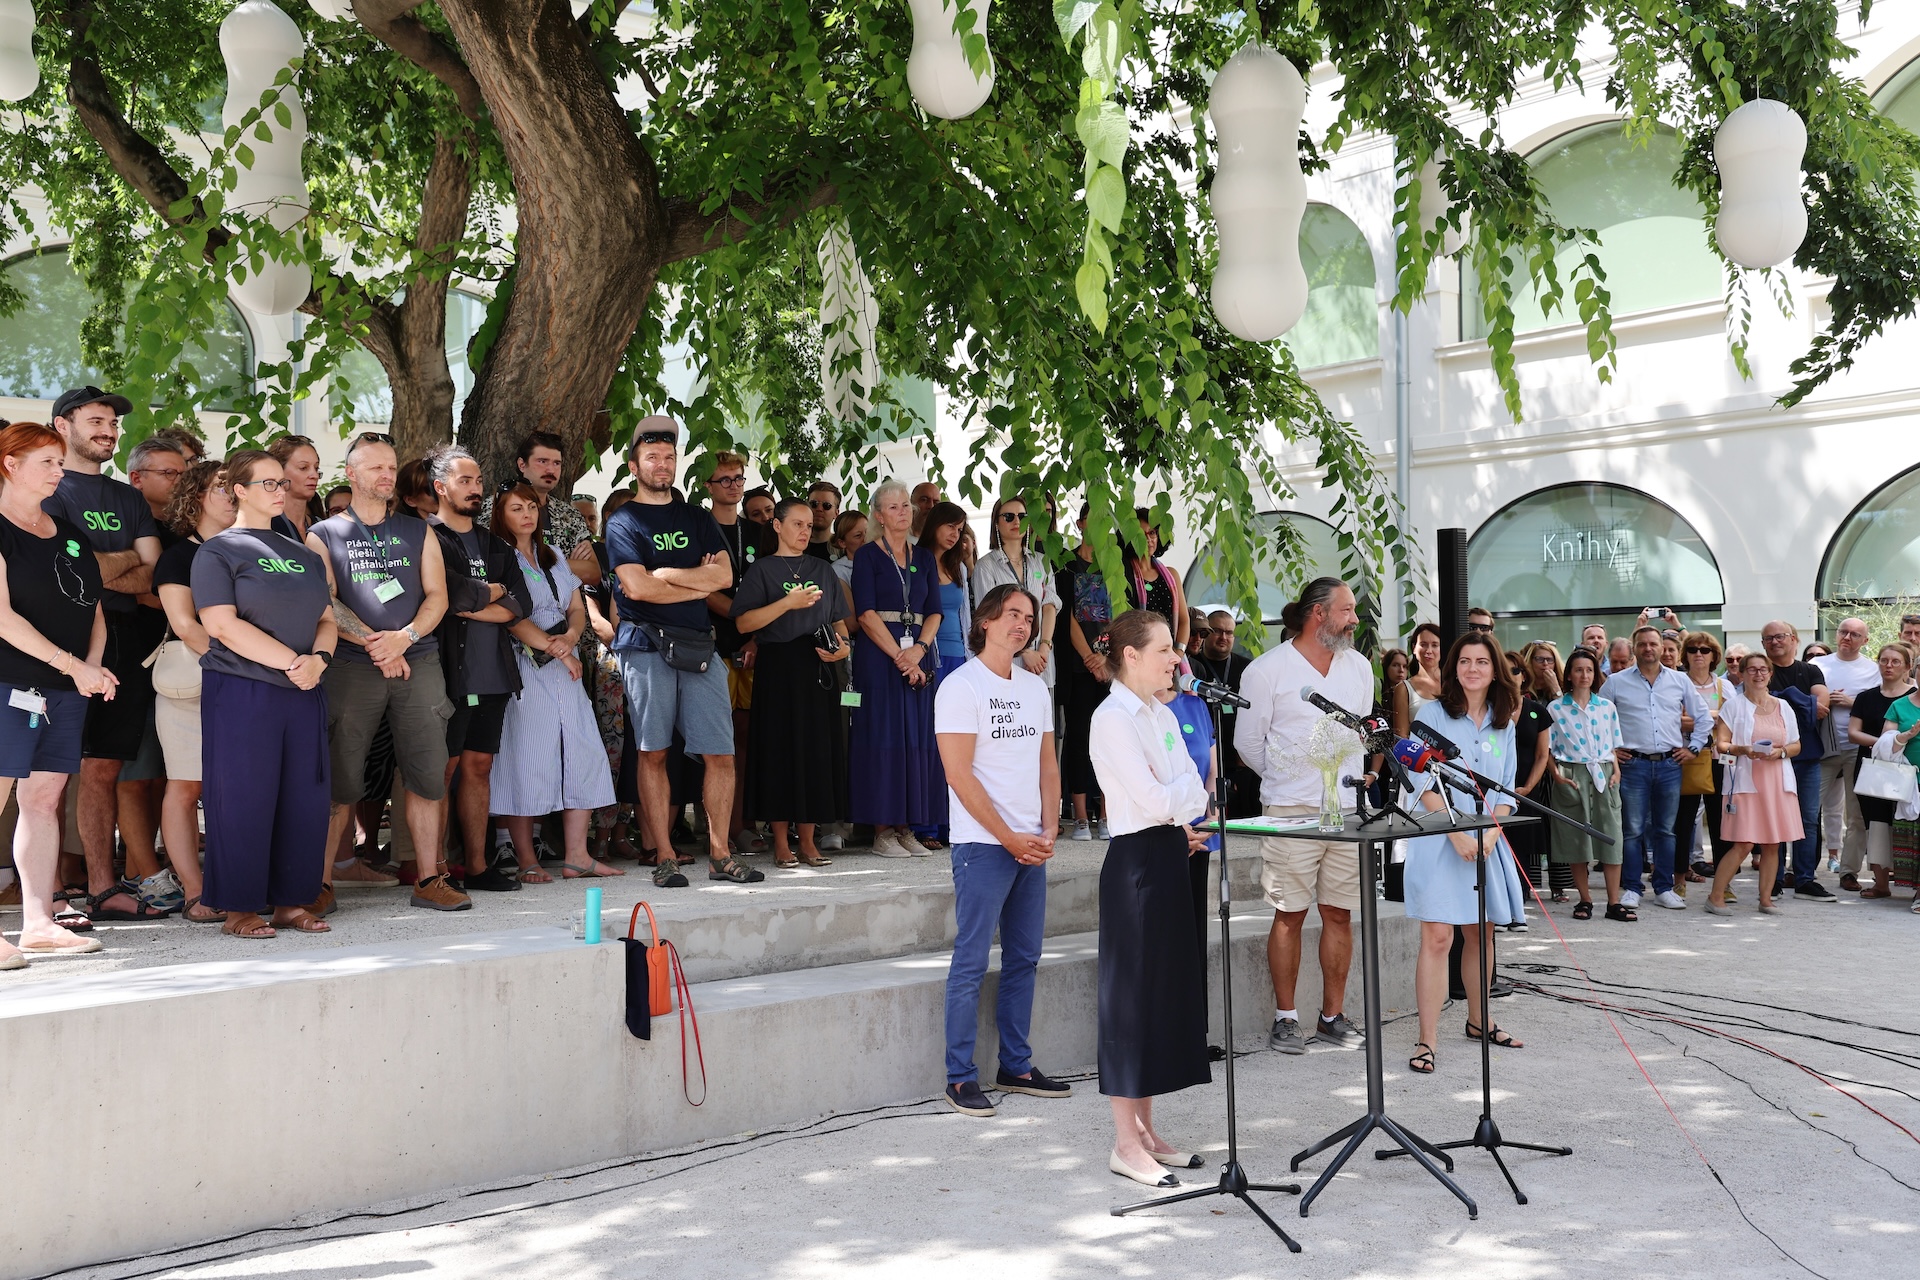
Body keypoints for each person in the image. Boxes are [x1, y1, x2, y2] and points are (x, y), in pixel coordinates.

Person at [307, 433, 467, 912]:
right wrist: (378, 644)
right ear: (351, 475)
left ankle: (428, 879)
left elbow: (437, 595)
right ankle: (318, 884)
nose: (385, 475)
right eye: (374, 467)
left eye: (390, 467)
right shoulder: (324, 534)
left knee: (426, 774)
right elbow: (325, 600)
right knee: (338, 778)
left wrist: (406, 638)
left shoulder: (420, 531)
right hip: (353, 667)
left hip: (417, 660)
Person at [933, 584, 1071, 1115]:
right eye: (1012, 614)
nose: (1022, 624)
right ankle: (959, 1076)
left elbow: (1047, 765)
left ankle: (1015, 1065)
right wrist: (1008, 836)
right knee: (971, 961)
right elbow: (959, 775)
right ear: (985, 621)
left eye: (1029, 617)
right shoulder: (959, 687)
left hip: (1031, 843)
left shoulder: (1035, 688)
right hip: (983, 845)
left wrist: (1050, 826)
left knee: (1025, 959)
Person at [604, 417, 760, 885]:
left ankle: (719, 854)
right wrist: (689, 580)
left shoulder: (696, 516)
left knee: (721, 753)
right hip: (645, 646)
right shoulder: (623, 522)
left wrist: (666, 577)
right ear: (634, 465)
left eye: (669, 456)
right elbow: (635, 588)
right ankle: (665, 855)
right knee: (653, 752)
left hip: (698, 648)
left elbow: (724, 578)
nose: (662, 464)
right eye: (652, 457)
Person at [1088, 608, 1213, 1186]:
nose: (1177, 658)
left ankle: (1146, 1130)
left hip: (1172, 852)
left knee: (1161, 995)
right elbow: (1156, 796)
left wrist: (1181, 798)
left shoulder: (1162, 714)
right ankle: (1122, 1142)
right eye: (1165, 649)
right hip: (1138, 861)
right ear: (1131, 655)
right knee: (1130, 1001)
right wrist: (1180, 798)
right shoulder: (1112, 719)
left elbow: (1193, 787)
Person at [193, 449, 338, 939]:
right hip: (242, 690)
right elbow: (220, 624)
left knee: (305, 797)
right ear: (239, 490)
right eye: (269, 483)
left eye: (282, 484)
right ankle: (239, 908)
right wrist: (294, 663)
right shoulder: (218, 550)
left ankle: (291, 902)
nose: (281, 491)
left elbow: (325, 619)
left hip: (304, 689)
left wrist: (318, 661)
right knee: (243, 798)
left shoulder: (302, 552)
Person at [45, 387, 168, 925]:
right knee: (43, 770)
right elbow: (63, 571)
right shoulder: (46, 488)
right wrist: (115, 567)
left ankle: (100, 889)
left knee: (103, 768)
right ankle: (47, 894)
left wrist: (98, 566)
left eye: (113, 423)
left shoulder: (129, 497)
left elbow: (154, 573)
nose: (109, 430)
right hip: (62, 638)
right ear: (61, 426)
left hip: (127, 636)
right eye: (96, 420)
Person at [1233, 577, 1368, 1055]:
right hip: (1290, 810)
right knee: (1289, 912)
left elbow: (1361, 736)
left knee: (1339, 912)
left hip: (1347, 811)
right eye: (1347, 610)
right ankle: (1286, 1018)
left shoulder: (1360, 668)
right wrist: (1289, 781)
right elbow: (1247, 743)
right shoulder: (1267, 670)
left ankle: (1332, 1016)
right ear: (1319, 614)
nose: (1354, 619)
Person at [0, 422, 115, 964]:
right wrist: (74, 666)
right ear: (10, 465)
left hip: (63, 689)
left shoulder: (69, 532)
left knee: (43, 801)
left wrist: (90, 667)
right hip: (7, 684)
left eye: (59, 461)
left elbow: (91, 608)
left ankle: (39, 922)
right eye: (46, 461)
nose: (59, 470)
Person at [1404, 631, 1528, 1074]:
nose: (1472, 669)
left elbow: (1507, 785)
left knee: (1481, 934)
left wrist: (1492, 832)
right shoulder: (1433, 713)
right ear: (1453, 668)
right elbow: (1418, 778)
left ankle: (1480, 1021)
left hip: (1485, 840)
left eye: (1481, 662)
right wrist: (1455, 832)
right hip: (1441, 838)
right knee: (1438, 937)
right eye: (1464, 662)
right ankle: (1427, 1039)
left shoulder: (1504, 721)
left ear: (1495, 669)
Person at [488, 483, 620, 880]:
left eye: (531, 507)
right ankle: (527, 859)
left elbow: (576, 606)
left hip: (567, 661)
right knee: (528, 757)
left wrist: (571, 638)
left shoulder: (554, 555)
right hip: (527, 663)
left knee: (583, 751)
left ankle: (577, 855)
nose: (527, 514)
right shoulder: (499, 557)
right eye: (516, 508)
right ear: (501, 515)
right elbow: (509, 614)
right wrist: (553, 646)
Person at [428, 446, 532, 893]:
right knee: (442, 771)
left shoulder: (496, 545)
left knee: (479, 768)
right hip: (447, 676)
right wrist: (486, 597)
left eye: (477, 481)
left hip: (493, 678)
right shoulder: (425, 538)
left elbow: (520, 604)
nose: (475, 489)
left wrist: (473, 604)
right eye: (465, 481)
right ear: (440, 487)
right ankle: (437, 871)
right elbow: (445, 595)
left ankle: (477, 865)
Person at [731, 497, 852, 867]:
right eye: (796, 524)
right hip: (779, 668)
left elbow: (840, 625)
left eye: (808, 525)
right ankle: (781, 842)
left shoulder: (823, 569)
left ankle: (810, 840)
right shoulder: (763, 570)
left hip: (818, 667)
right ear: (777, 526)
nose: (804, 531)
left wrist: (842, 650)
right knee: (780, 752)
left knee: (817, 751)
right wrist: (787, 603)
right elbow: (743, 623)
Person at [152, 459, 238, 925]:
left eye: (234, 487)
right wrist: (242, 664)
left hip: (248, 687)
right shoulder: (178, 556)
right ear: (196, 497)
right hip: (196, 684)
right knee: (186, 787)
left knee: (240, 789)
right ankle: (194, 889)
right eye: (221, 488)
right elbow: (184, 625)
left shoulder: (255, 548)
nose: (231, 495)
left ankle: (237, 883)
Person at [848, 480, 944, 859]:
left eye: (907, 505)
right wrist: (899, 657)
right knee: (883, 736)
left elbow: (935, 610)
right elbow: (866, 615)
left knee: (915, 738)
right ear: (878, 516)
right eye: (894, 507)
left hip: (917, 657)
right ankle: (882, 830)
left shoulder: (924, 557)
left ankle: (907, 827)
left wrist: (918, 651)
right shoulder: (868, 556)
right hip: (880, 658)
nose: (904, 511)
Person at [1607, 625, 1711, 912]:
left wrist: (1693, 748)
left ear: (1664, 649)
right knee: (1632, 831)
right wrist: (1611, 749)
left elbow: (1704, 717)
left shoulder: (1679, 681)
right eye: (1643, 644)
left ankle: (1664, 887)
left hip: (1669, 765)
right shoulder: (1616, 682)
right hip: (1633, 765)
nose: (1649, 649)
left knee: (1667, 830)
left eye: (1655, 644)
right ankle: (1632, 888)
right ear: (1634, 648)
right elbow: (1599, 718)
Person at [701, 450, 775, 857]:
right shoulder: (699, 527)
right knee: (713, 742)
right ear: (709, 486)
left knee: (745, 740)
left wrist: (754, 635)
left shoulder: (759, 532)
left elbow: (771, 587)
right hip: (712, 645)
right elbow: (701, 587)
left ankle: (742, 824)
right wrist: (740, 617)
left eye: (738, 478)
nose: (732, 485)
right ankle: (715, 830)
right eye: (724, 479)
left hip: (753, 647)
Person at [1706, 652, 1804, 916]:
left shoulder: (1783, 706)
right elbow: (1721, 745)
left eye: (1763, 670)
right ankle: (1715, 897)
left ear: (1770, 674)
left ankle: (1766, 899)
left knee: (1773, 843)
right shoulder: (1733, 706)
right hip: (1746, 780)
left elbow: (1795, 744)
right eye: (1752, 670)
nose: (1758, 674)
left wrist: (1780, 753)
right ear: (1742, 673)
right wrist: (1742, 749)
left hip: (1777, 780)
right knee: (1744, 843)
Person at [1546, 648, 1626, 919]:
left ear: (1596, 674)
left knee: (1612, 837)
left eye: (1589, 670)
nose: (1584, 675)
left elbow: (1613, 745)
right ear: (1569, 674)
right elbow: (1546, 748)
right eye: (1578, 669)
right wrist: (1556, 775)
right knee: (1576, 838)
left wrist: (1616, 771)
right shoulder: (1555, 708)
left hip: (1604, 774)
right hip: (1572, 773)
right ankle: (1585, 899)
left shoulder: (1606, 707)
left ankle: (1614, 902)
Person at [1760, 620, 1834, 901]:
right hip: (1772, 758)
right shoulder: (1761, 669)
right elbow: (1758, 703)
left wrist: (1782, 697)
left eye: (1780, 636)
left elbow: (1821, 707)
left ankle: (1805, 880)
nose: (1775, 642)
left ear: (1794, 639)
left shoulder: (1811, 670)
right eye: (1768, 638)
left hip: (1808, 756)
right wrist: (1799, 700)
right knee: (1774, 818)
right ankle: (1774, 879)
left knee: (1808, 819)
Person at [480, 431, 601, 587]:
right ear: (522, 465)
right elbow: (495, 564)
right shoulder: (496, 507)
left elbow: (593, 573)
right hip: (516, 606)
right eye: (543, 461)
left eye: (557, 463)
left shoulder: (569, 514)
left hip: (569, 608)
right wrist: (564, 563)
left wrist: (533, 562)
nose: (551, 469)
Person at [1056, 504, 1111, 841]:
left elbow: (1120, 613)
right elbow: (1067, 616)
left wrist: (1105, 657)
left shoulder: (1114, 564)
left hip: (1111, 665)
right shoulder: (1065, 563)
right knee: (1079, 738)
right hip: (1078, 665)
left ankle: (1106, 815)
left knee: (1110, 737)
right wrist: (1091, 657)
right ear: (1080, 524)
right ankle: (1079, 817)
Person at [1844, 642, 1912, 903]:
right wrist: (1885, 744)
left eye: (1896, 661)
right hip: (1873, 769)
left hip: (1907, 769)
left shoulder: (1915, 695)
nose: (1889, 666)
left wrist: (1894, 745)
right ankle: (1881, 883)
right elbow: (1853, 732)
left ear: (1907, 666)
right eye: (1884, 660)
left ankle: (1910, 882)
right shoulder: (1866, 697)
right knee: (1876, 825)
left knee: (1907, 825)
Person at [972, 495, 1061, 689]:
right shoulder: (986, 566)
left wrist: (1044, 647)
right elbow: (988, 616)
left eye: (1022, 516)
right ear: (996, 522)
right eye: (1009, 516)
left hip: (1041, 661)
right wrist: (1025, 653)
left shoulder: (1041, 561)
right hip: (1007, 662)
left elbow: (1050, 606)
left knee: (1043, 717)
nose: (1017, 521)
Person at [1814, 618, 1877, 889]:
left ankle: (1849, 871)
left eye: (1855, 634)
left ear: (1865, 640)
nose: (1847, 637)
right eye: (1843, 632)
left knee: (1857, 814)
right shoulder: (1818, 665)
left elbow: (1880, 706)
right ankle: (1801, 868)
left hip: (1857, 748)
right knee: (1807, 809)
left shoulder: (1873, 669)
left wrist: (1853, 703)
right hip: (1821, 746)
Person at [1673, 631, 1736, 883]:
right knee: (1682, 822)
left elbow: (1733, 721)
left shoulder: (1725, 685)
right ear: (1685, 655)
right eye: (1692, 649)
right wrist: (1713, 716)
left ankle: (1724, 883)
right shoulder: (1676, 682)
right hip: (1685, 756)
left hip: (1719, 759)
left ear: (1714, 656)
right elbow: (1671, 721)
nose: (1698, 654)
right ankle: (1678, 880)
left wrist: (1695, 717)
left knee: (1721, 824)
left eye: (1705, 650)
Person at [1192, 608, 1257, 816]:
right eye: (1218, 631)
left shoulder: (1248, 668)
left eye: (1229, 633)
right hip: (1205, 748)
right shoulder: (1193, 666)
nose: (1224, 637)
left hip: (1237, 753)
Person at [1121, 508, 1189, 654]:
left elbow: (1184, 621)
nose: (1148, 539)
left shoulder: (1171, 575)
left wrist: (1178, 653)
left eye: (1152, 533)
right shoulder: (1122, 574)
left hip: (1170, 657)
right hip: (1137, 657)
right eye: (1140, 534)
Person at [266, 434, 325, 543]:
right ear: (279, 471)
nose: (314, 475)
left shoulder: (322, 528)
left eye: (316, 468)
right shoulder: (266, 526)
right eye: (303, 468)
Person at [1409, 622, 1444, 708]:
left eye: (1435, 645)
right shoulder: (1404, 689)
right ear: (1414, 648)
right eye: (1423, 645)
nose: (1428, 651)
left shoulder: (1454, 683)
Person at [804, 480, 842, 560]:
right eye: (814, 504)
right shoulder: (793, 545)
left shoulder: (842, 548)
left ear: (836, 513)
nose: (819, 509)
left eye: (826, 505)